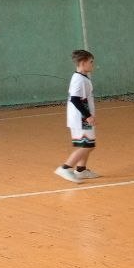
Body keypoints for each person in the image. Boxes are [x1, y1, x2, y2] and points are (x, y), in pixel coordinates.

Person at [56, 49, 99, 182]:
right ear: (82, 62)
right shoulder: (79, 79)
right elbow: (75, 99)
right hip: (81, 118)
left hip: (81, 117)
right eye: (91, 62)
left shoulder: (82, 78)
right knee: (87, 145)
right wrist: (87, 116)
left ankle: (81, 170)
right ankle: (64, 168)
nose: (93, 65)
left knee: (87, 145)